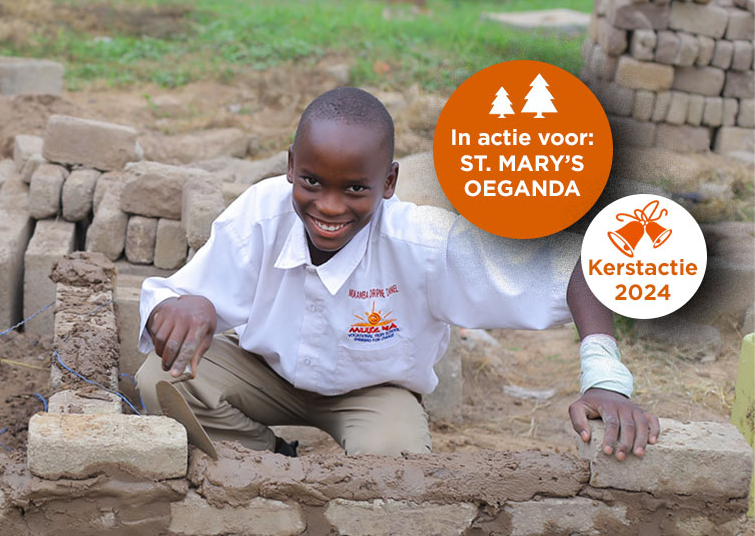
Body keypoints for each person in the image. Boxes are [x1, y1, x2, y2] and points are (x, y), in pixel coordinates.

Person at [135, 87, 659, 458]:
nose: (330, 206)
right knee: (160, 379)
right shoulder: (260, 214)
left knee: (395, 464)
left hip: (372, 393)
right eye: (313, 182)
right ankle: (269, 460)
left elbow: (587, 266)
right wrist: (185, 304)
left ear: (388, 181)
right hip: (262, 372)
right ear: (291, 166)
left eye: (355, 189)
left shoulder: (427, 244)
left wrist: (606, 380)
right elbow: (179, 298)